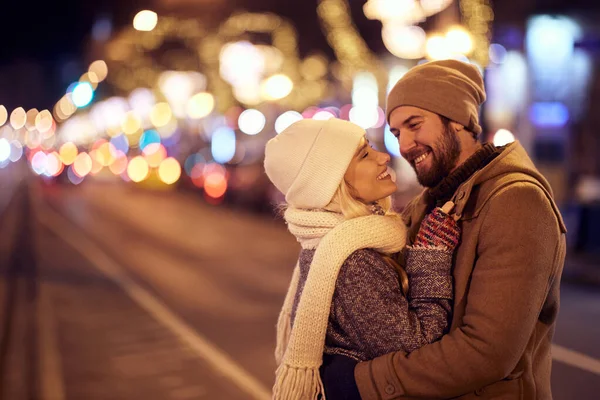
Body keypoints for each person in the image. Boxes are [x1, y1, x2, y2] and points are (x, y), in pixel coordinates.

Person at [324, 59, 567, 399]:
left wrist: (363, 382)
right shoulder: (428, 204)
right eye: (396, 133)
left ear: (458, 120)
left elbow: (486, 352)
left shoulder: (516, 202)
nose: (405, 145)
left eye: (414, 125)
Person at [264, 118, 462, 400]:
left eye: (370, 146)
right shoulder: (352, 261)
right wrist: (432, 256)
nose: (383, 156)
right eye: (365, 155)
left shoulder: (333, 243)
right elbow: (418, 345)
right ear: (332, 183)